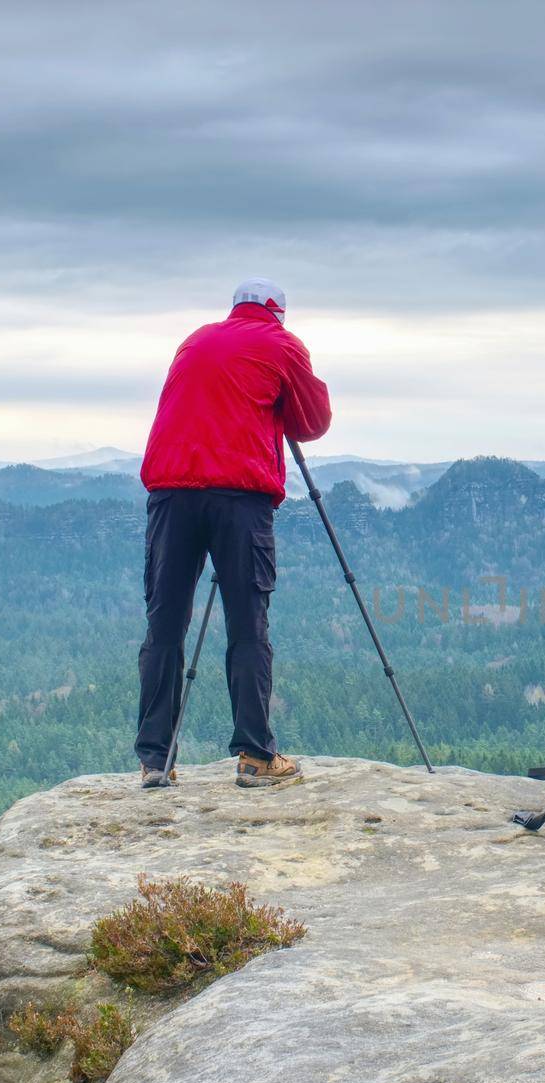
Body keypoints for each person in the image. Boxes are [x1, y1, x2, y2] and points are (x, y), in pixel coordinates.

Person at [135, 278, 332, 787]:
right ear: (278, 314)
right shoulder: (281, 345)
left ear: (235, 309)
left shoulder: (195, 339)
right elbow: (312, 421)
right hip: (239, 498)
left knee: (165, 624)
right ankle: (255, 756)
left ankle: (155, 759)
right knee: (247, 625)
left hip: (171, 493)